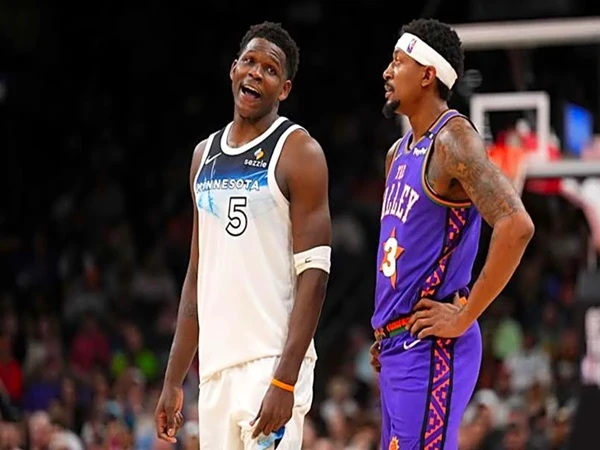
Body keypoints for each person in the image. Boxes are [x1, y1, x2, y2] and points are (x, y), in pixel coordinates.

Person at [154, 22, 331, 449]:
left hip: (270, 364)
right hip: (216, 371)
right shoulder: (203, 156)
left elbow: (316, 274)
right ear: (233, 69)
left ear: (284, 89)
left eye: (270, 69)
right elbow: (197, 273)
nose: (256, 72)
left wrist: (285, 380)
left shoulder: (299, 152)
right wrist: (174, 379)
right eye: (249, 62)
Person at [371, 18, 535, 450]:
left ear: (427, 75)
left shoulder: (454, 140)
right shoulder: (397, 153)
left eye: (398, 62)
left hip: (433, 346)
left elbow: (517, 225)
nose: (387, 72)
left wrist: (465, 316)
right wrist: (386, 329)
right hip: (398, 344)